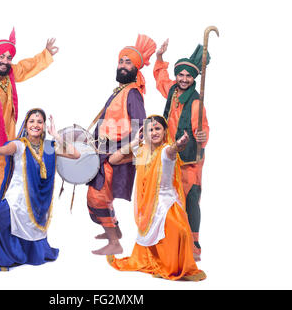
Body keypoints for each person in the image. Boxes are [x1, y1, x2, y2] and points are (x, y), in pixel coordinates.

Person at [0, 108, 80, 271]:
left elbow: (75, 154)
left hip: (35, 205)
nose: (35, 125)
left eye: (39, 122)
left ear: (44, 126)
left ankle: (17, 255)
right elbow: (2, 150)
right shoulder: (19, 145)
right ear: (26, 124)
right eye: (31, 121)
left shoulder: (48, 148)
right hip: (14, 202)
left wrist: (57, 135)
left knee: (16, 230)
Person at [106, 115, 206, 281]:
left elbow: (172, 150)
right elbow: (113, 160)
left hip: (167, 204)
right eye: (150, 129)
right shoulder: (142, 151)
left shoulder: (166, 151)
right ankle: (157, 261)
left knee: (180, 232)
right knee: (158, 237)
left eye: (157, 128)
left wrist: (179, 144)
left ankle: (171, 265)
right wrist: (133, 143)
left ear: (164, 131)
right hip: (147, 205)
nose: (154, 132)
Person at [0, 28, 59, 212]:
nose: (5, 61)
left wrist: (45, 54)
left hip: (9, 141)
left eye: (8, 57)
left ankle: (3, 231)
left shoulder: (8, 73)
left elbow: (25, 67)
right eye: (1, 57)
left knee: (8, 188)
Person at [87, 34, 156, 255]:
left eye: (129, 62)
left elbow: (140, 128)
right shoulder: (120, 91)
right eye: (121, 61)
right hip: (103, 151)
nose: (123, 65)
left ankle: (114, 243)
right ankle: (114, 231)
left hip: (114, 153)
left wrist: (124, 153)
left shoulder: (133, 94)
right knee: (100, 194)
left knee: (97, 196)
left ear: (136, 69)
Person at [153, 39, 210, 261]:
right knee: (170, 198)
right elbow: (160, 79)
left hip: (189, 160)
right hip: (169, 156)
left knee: (191, 196)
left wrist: (203, 137)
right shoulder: (172, 91)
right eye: (181, 75)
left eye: (189, 76)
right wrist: (159, 57)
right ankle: (172, 238)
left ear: (194, 79)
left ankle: (194, 243)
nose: (184, 79)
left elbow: (203, 127)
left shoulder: (197, 102)